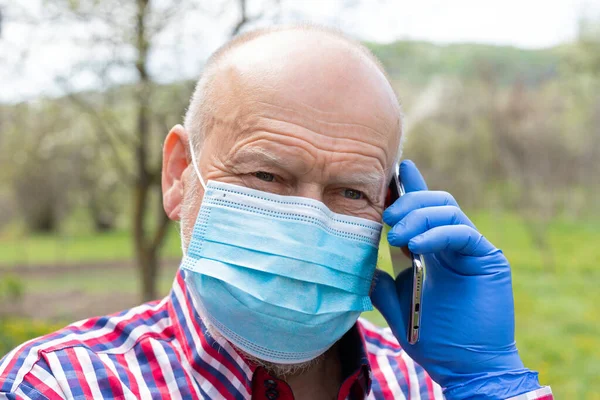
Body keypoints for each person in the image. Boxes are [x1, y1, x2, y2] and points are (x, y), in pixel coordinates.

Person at [0, 25, 552, 400]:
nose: (307, 223)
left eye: (351, 192)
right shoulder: (58, 386)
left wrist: (491, 383)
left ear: (392, 206)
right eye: (266, 176)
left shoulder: (425, 386)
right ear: (178, 175)